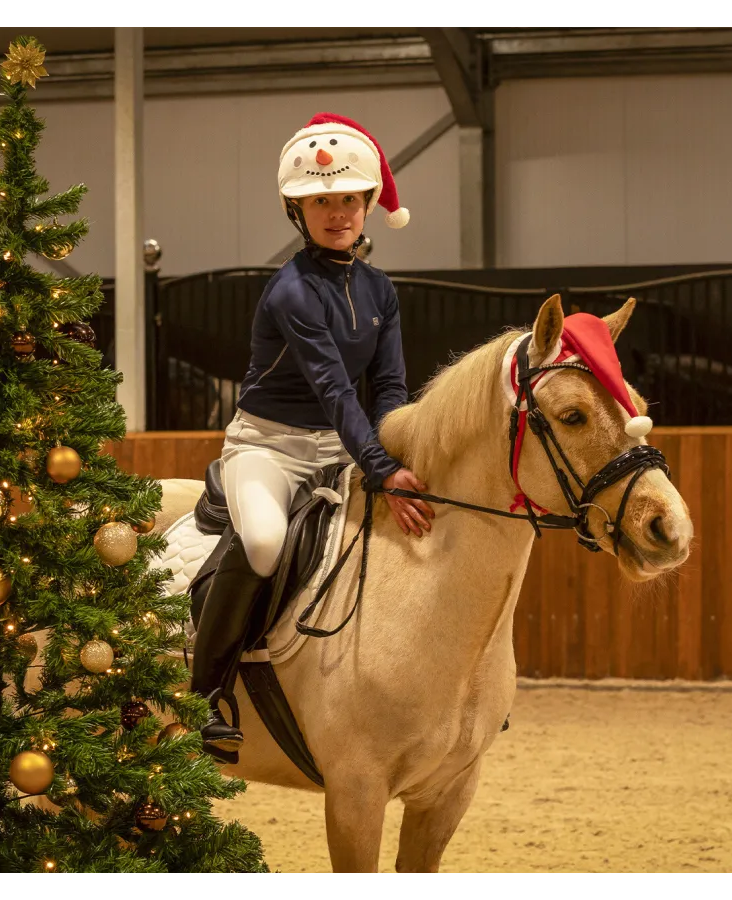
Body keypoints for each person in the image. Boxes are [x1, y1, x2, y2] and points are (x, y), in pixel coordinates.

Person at [190, 112, 434, 757]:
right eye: (321, 200)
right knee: (266, 541)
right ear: (298, 209)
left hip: (337, 451)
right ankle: (205, 693)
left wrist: (399, 454)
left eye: (349, 199)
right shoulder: (290, 291)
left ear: (366, 205)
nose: (337, 212)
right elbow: (332, 388)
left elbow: (387, 389)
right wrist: (382, 469)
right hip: (267, 447)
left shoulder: (381, 289)